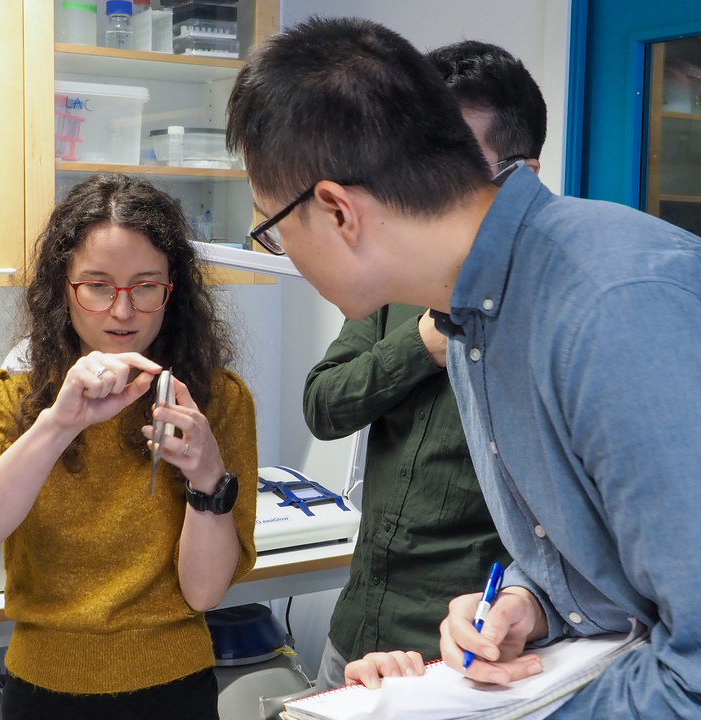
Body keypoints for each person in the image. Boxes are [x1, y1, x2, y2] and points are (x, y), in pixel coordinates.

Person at [226, 17, 701, 717]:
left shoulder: (618, 309)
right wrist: (528, 605)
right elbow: (622, 569)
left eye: (271, 227)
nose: (276, 249)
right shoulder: (475, 313)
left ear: (337, 210)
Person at [0, 174, 258, 720]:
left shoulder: (215, 400)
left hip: (174, 686)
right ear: (63, 288)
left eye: (146, 286)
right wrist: (58, 424)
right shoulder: (9, 396)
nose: (123, 311)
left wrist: (208, 477)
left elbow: (204, 594)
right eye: (98, 285)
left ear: (172, 289)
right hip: (43, 690)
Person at [303, 40, 544, 690]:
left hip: (458, 650)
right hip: (357, 626)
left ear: (522, 176)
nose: (425, 194)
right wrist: (420, 347)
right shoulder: (397, 281)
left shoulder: (547, 313)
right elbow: (324, 404)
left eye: (452, 168)